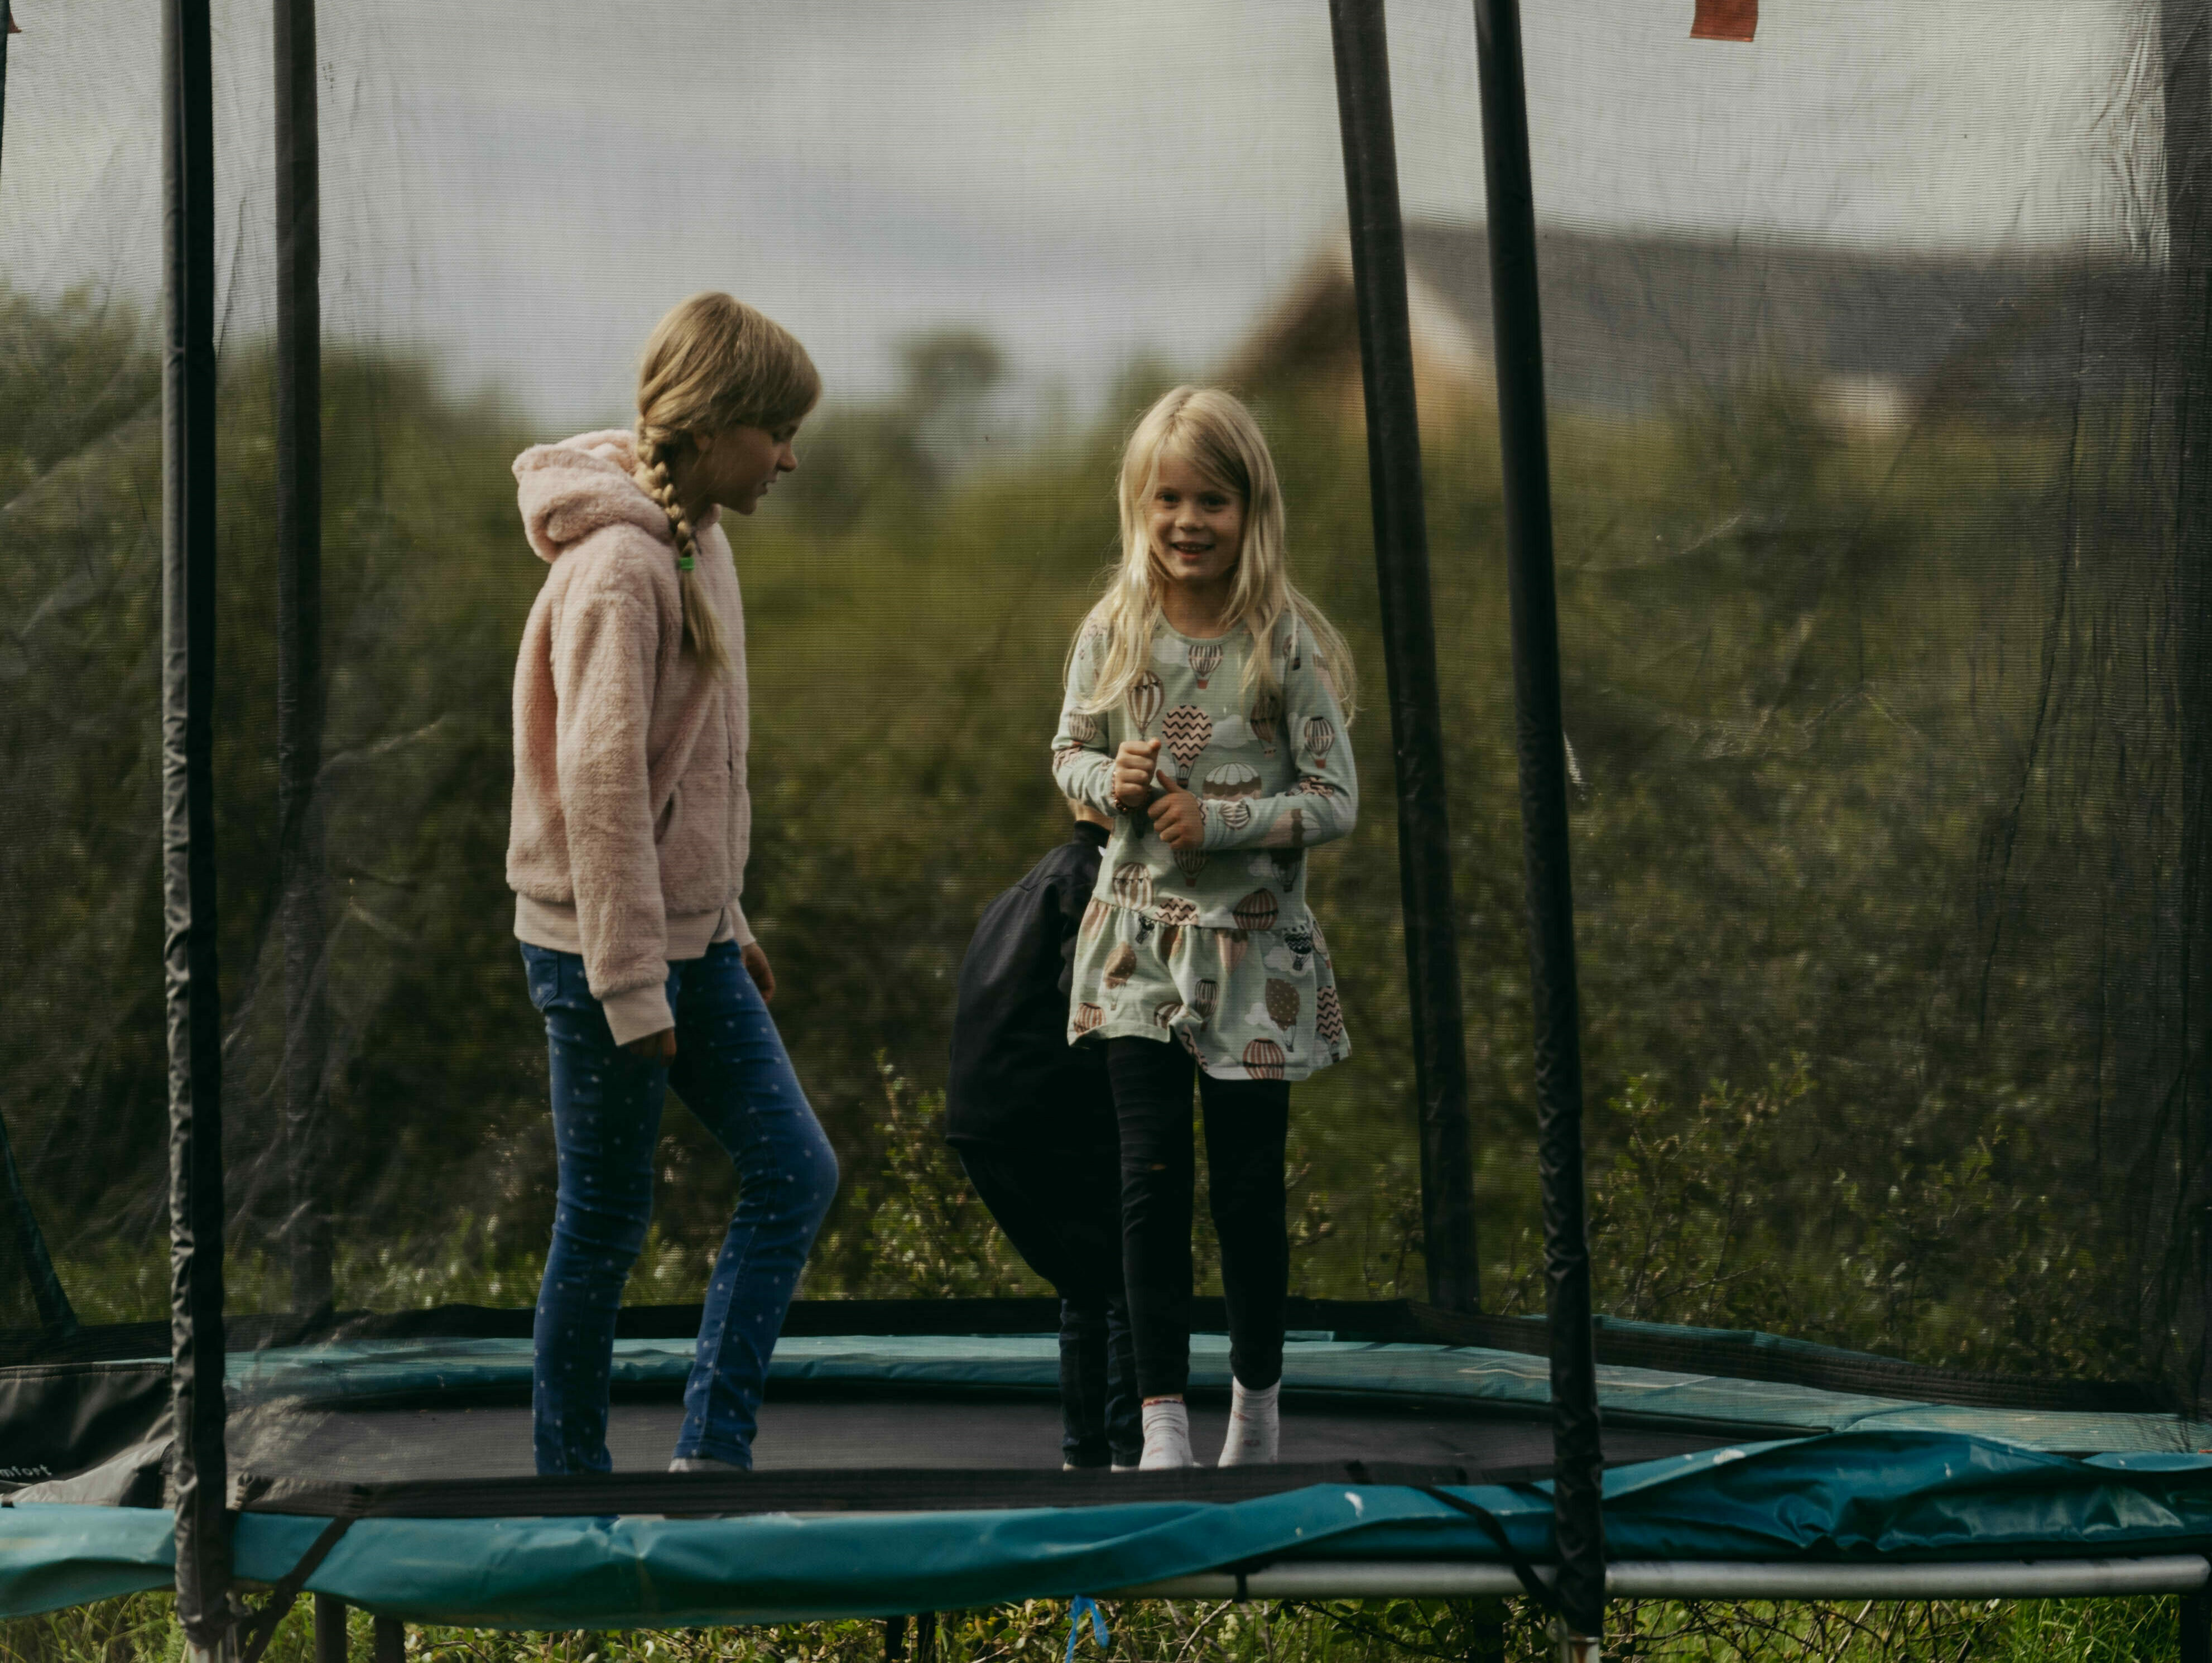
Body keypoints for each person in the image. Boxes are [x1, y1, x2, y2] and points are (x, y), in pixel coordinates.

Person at [507, 292, 839, 1475]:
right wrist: (633, 987)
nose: (790, 457)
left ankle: (710, 1457)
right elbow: (599, 800)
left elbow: (683, 772)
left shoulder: (699, 537)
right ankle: (569, 1485)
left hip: (682, 937)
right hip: (603, 950)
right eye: (775, 432)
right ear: (710, 429)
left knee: (796, 1172)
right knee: (601, 1220)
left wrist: (722, 915)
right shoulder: (618, 571)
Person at [1050, 386, 1359, 1470]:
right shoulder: (1113, 629)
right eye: (1167, 498)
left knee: (1241, 1190)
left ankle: (1254, 1410)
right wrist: (1111, 778)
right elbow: (1066, 755)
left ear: (1249, 509)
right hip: (1135, 939)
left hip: (1250, 954)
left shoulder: (1280, 646)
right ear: (1140, 507)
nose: (1187, 521)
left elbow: (1333, 796)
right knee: (1146, 1179)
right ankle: (1159, 1425)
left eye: (1211, 500)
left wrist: (1223, 818)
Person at [945, 797, 1140, 1471]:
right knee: (1126, 1278)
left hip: (981, 1124)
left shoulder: (1025, 886)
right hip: (1039, 1120)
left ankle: (1084, 1460)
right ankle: (1127, 1459)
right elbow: (1092, 998)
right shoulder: (1097, 881)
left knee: (1086, 1284)